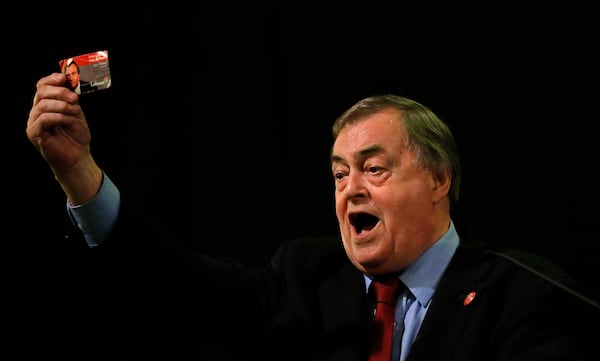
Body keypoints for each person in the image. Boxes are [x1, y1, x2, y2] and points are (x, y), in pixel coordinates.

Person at [26, 72, 598, 360]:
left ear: (438, 180)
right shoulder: (304, 277)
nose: (350, 190)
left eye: (374, 169)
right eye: (339, 173)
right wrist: (78, 172)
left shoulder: (525, 294)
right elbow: (175, 280)